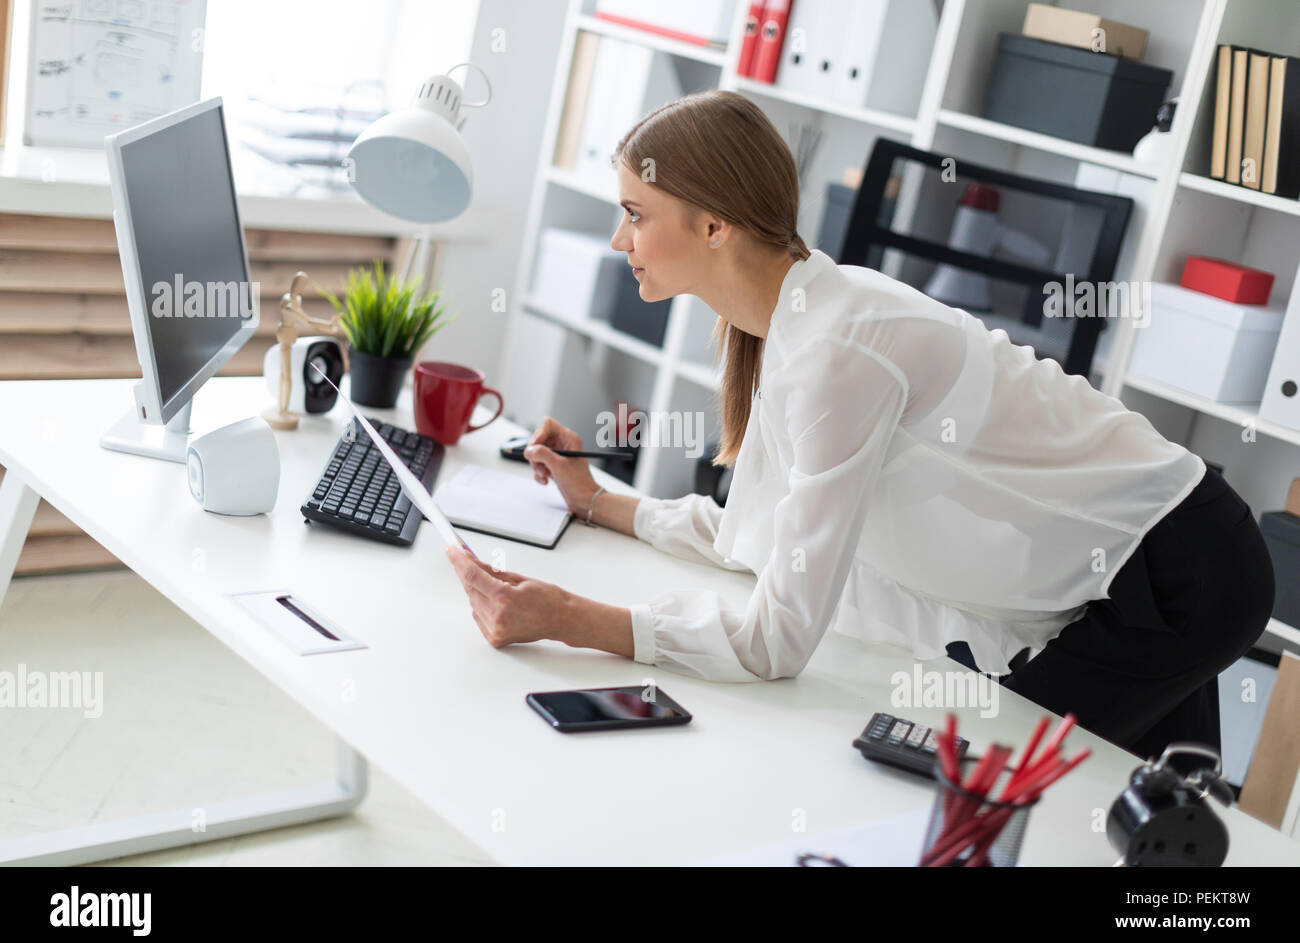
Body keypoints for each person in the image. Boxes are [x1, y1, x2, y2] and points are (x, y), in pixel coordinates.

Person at [447, 90, 1274, 760]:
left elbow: (776, 642)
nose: (620, 236)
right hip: (1121, 565)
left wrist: (569, 618)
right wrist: (602, 504)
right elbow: (763, 535)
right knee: (1160, 814)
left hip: (1175, 572)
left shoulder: (837, 352)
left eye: (636, 211)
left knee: (1019, 795)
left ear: (713, 224)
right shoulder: (795, 320)